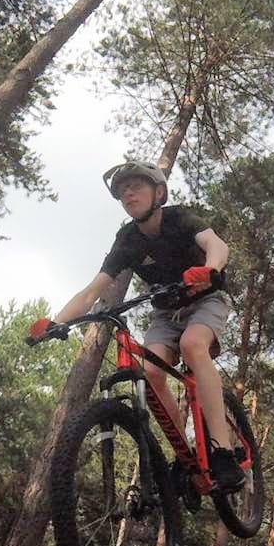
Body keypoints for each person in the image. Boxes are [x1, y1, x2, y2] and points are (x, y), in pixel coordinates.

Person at [30, 159, 245, 491]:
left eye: (136, 186)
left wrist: (210, 269)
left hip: (205, 299)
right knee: (152, 372)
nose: (128, 193)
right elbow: (91, 291)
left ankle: (223, 450)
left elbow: (217, 245)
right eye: (122, 190)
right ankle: (186, 457)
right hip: (165, 313)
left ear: (158, 192)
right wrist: (56, 322)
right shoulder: (128, 239)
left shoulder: (179, 217)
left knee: (192, 345)